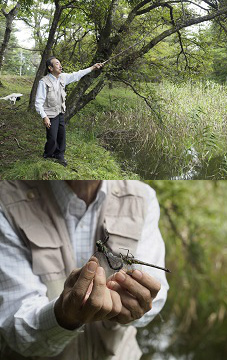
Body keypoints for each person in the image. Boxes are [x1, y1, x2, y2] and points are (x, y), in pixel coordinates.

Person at [0, 180, 169, 360]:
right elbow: (15, 326)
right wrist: (64, 316)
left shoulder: (143, 196)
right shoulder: (6, 199)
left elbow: (154, 298)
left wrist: (138, 306)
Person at [35, 57, 103, 167]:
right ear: (50, 68)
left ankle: (59, 155)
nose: (60, 65)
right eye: (57, 64)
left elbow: (77, 74)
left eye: (60, 63)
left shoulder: (63, 77)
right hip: (50, 114)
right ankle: (48, 154)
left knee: (61, 135)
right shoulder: (44, 82)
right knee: (52, 137)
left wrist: (92, 68)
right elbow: (38, 102)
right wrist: (44, 116)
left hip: (60, 112)